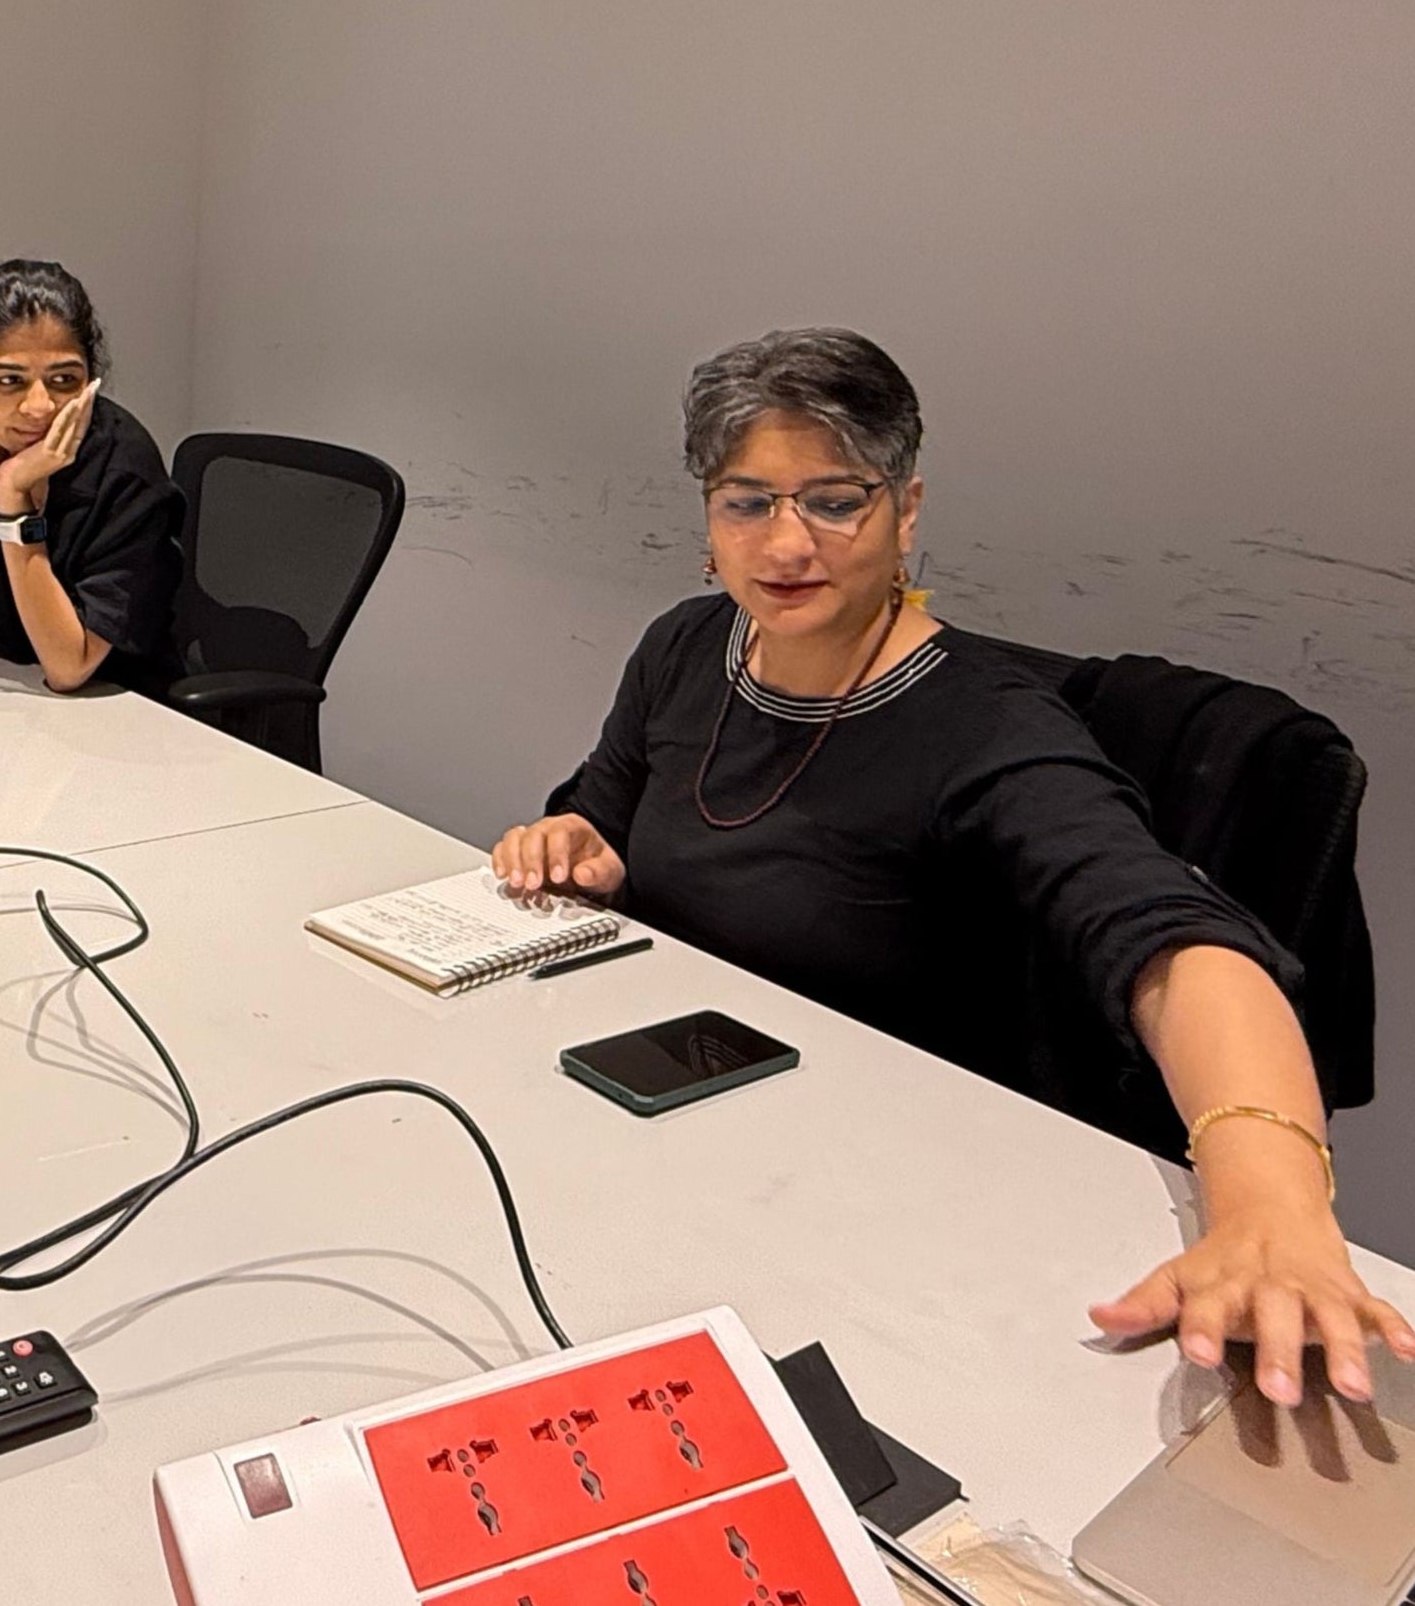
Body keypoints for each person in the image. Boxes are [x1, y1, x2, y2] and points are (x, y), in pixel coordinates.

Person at [489, 327, 1412, 1407]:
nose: (787, 542)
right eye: (748, 500)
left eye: (834, 500)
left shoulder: (985, 729)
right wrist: (577, 839)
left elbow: (1170, 938)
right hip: (669, 1115)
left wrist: (1270, 1200)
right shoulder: (688, 645)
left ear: (905, 512)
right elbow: (605, 798)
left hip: (876, 1198)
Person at [0, 260, 182, 692]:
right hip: (21, 701)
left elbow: (69, 667)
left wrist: (14, 497)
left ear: (90, 383)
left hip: (129, 709)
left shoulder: (125, 469)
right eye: (10, 380)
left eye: (64, 379)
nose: (39, 406)